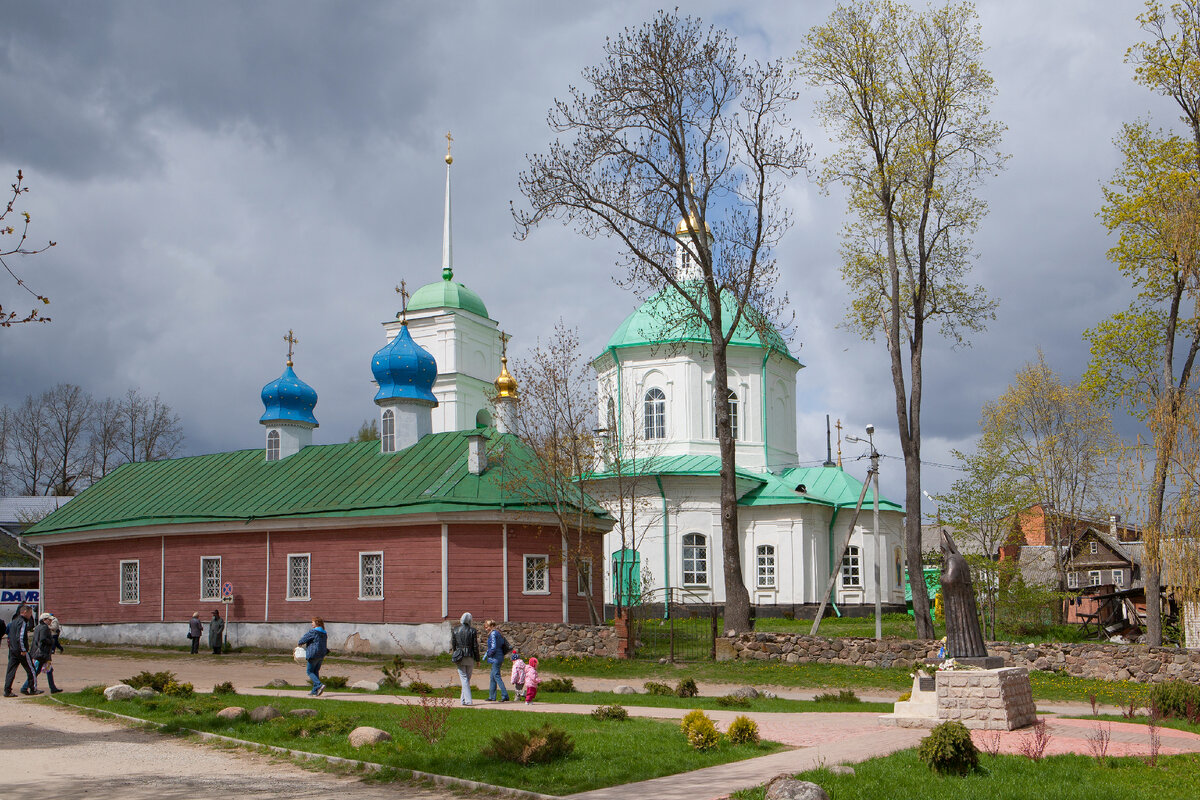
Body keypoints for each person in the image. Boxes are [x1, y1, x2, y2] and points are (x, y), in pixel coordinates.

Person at [4, 605, 38, 697]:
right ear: (24, 612)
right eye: (30, 613)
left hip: (13, 650)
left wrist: (11, 647)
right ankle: (33, 689)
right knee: (31, 669)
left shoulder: (13, 622)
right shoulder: (22, 622)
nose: (31, 615)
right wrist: (23, 649)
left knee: (11, 670)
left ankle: (7, 690)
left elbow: (10, 637)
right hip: (21, 651)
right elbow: (21, 636)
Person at [449, 612, 479, 706]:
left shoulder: (456, 629)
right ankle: (467, 700)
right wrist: (477, 659)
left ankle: (464, 700)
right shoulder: (473, 630)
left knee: (464, 679)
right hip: (470, 656)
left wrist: (455, 654)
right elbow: (475, 646)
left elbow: (453, 644)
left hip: (460, 656)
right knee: (467, 679)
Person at [30, 613, 61, 694]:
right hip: (42, 653)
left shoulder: (37, 627)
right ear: (44, 620)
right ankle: (26, 686)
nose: (50, 621)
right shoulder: (44, 628)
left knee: (49, 670)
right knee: (36, 671)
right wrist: (51, 641)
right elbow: (43, 639)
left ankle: (53, 687)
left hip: (41, 653)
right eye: (49, 619)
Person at [297, 617, 328, 696]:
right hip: (321, 655)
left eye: (312, 622)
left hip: (313, 654)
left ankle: (319, 685)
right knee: (315, 671)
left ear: (317, 622)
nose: (311, 623)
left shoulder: (313, 632)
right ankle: (314, 691)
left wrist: (300, 643)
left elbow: (304, 639)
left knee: (309, 671)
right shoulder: (324, 633)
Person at [483, 619, 510, 702]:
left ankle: (505, 695)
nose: (486, 629)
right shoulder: (498, 633)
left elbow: (493, 647)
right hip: (499, 656)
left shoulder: (493, 634)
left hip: (496, 657)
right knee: (492, 677)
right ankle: (492, 696)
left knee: (496, 676)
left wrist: (489, 654)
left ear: (491, 626)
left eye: (487, 627)